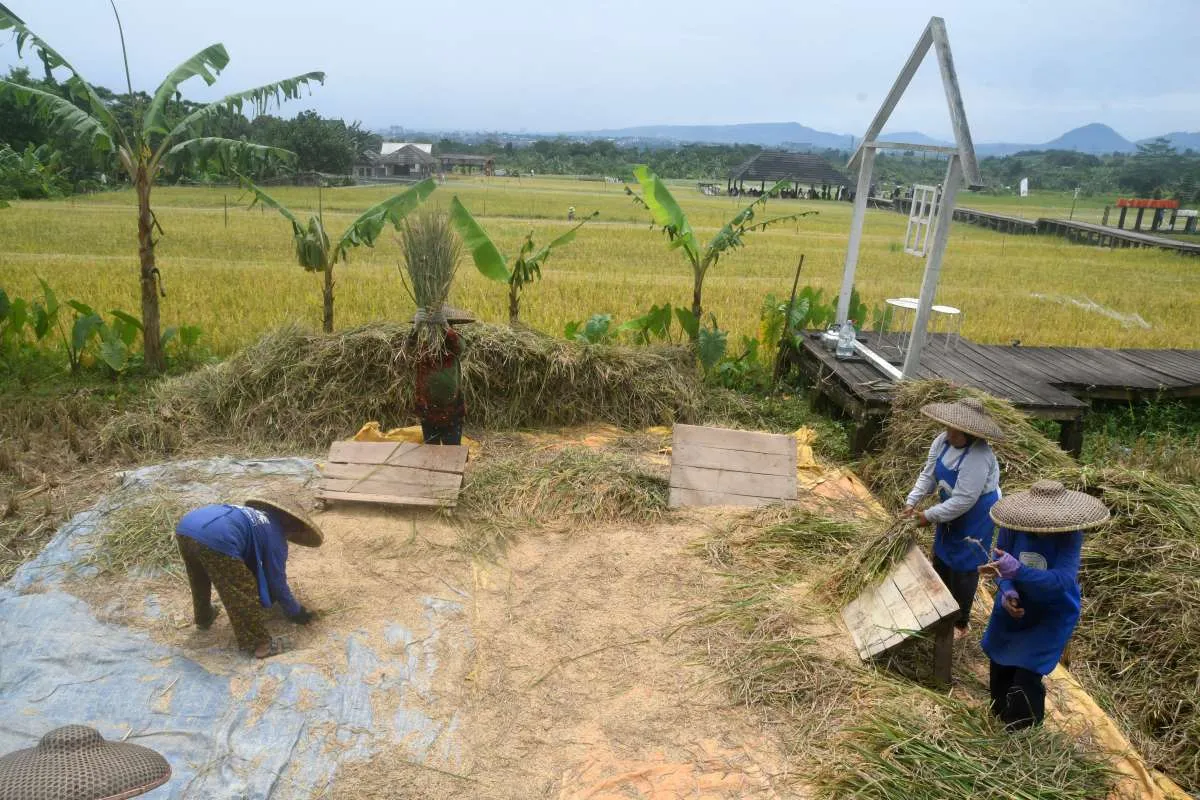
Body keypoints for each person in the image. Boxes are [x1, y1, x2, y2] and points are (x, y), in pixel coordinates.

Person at [979, 479, 1109, 730]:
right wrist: (1008, 593)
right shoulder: (1013, 526)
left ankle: (1025, 733)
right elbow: (999, 566)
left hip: (1051, 612)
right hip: (1016, 608)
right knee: (1000, 669)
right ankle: (999, 718)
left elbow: (1062, 580)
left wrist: (1018, 571)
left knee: (1026, 678)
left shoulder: (1070, 536)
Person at [903, 396, 1005, 639]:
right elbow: (928, 474)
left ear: (971, 434)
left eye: (956, 431)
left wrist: (929, 515)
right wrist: (911, 501)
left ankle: (960, 622)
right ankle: (939, 608)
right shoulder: (942, 441)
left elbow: (964, 500)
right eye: (949, 427)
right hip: (950, 506)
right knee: (941, 555)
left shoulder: (979, 457)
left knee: (964, 568)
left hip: (976, 514)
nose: (950, 434)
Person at [175, 496, 322, 659]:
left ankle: (204, 617)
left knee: (199, 576)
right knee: (242, 590)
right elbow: (276, 581)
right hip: (217, 536)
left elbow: (251, 562)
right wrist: (295, 611)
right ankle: (260, 644)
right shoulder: (276, 537)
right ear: (290, 524)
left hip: (186, 527)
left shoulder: (258, 518)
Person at [411, 307, 468, 445]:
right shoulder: (422, 342)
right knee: (431, 453)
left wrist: (444, 327)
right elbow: (408, 348)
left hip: (452, 408)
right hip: (427, 408)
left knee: (453, 452)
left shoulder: (453, 341)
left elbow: (461, 347)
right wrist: (416, 328)